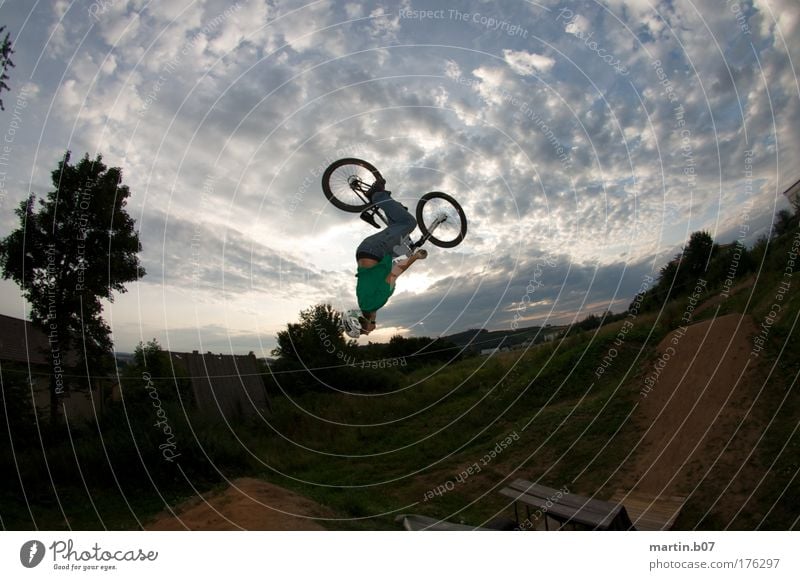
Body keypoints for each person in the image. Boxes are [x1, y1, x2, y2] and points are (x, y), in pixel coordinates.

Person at [353, 177, 425, 335]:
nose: (373, 330)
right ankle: (391, 206)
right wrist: (408, 255)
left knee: (409, 223)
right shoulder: (364, 303)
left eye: (367, 332)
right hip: (369, 252)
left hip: (375, 250)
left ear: (365, 324)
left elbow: (394, 273)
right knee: (403, 246)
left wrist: (415, 258)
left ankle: (377, 195)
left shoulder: (375, 303)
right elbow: (381, 273)